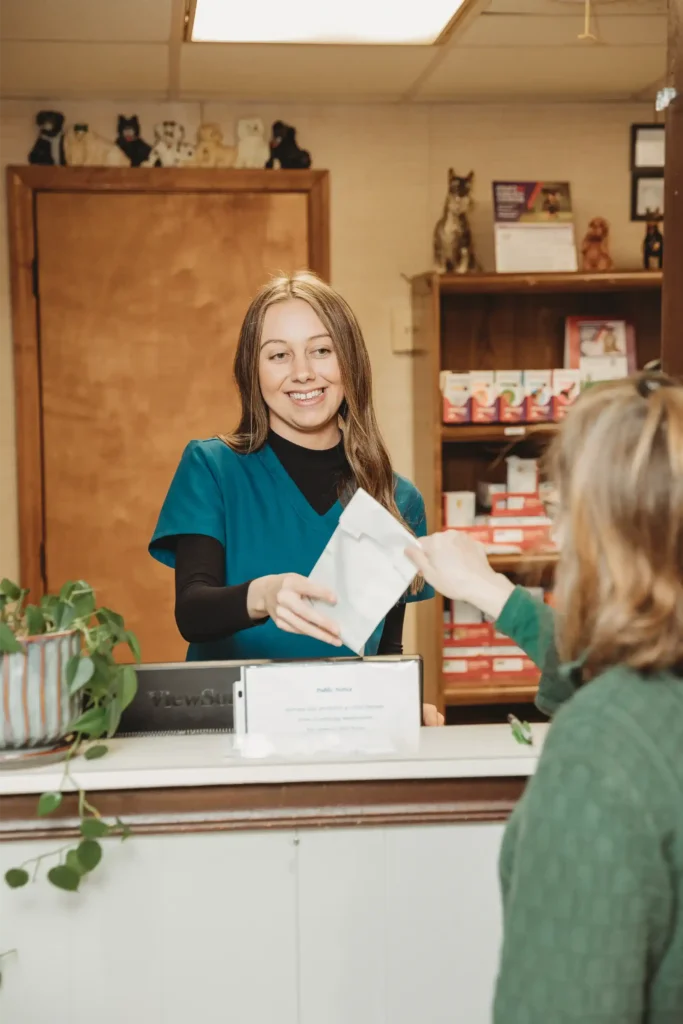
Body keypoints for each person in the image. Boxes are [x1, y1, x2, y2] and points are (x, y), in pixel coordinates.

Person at [408, 373, 683, 1022]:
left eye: (557, 509)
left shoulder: (600, 747)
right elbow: (597, 655)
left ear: (589, 528)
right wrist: (492, 593)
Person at [150, 270, 442, 725]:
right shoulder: (212, 468)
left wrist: (402, 706)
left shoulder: (395, 498)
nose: (303, 372)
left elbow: (387, 649)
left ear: (350, 362)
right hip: (225, 733)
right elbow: (193, 612)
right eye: (279, 355)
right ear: (253, 371)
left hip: (340, 734)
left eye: (321, 350)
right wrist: (264, 595)